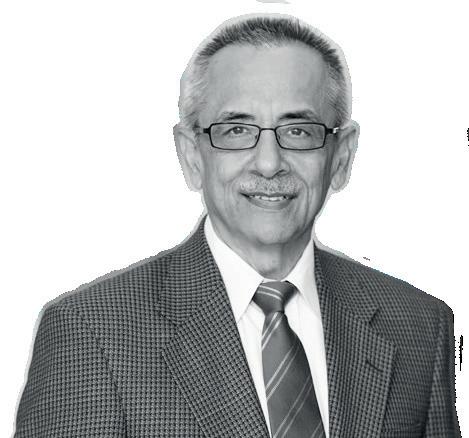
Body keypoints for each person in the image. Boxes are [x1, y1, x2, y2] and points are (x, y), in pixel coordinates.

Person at [14, 14, 460, 438]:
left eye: (299, 131)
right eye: (236, 131)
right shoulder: (92, 332)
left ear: (341, 156)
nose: (268, 163)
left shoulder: (419, 326)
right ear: (191, 155)